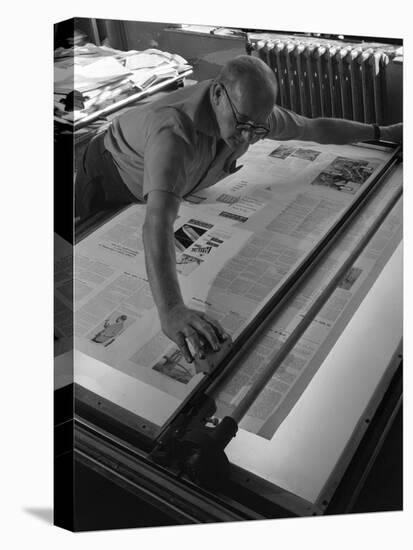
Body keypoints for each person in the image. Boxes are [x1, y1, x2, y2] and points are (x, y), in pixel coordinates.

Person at [75, 55, 402, 364]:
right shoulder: (172, 132)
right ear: (218, 94)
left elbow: (315, 128)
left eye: (257, 129)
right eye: (243, 124)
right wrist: (172, 309)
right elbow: (157, 223)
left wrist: (383, 133)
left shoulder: (251, 115)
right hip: (109, 175)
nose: (247, 136)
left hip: (174, 179)